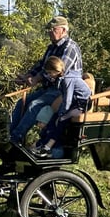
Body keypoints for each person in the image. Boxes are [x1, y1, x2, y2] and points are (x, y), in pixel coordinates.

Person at [9, 16, 83, 145]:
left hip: (63, 91)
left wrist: (36, 79)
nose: (49, 32)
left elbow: (58, 71)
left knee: (34, 105)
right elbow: (41, 66)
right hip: (49, 90)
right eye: (49, 29)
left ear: (64, 30)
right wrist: (27, 77)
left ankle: (16, 138)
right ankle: (9, 135)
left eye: (53, 29)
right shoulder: (51, 48)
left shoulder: (70, 48)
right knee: (22, 102)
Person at [33, 57, 93, 158]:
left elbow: (68, 99)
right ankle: (42, 144)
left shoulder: (68, 80)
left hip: (82, 104)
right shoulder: (62, 78)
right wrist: (59, 114)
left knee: (61, 120)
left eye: (50, 72)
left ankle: (48, 148)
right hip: (74, 103)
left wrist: (62, 114)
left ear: (56, 71)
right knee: (54, 118)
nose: (49, 75)